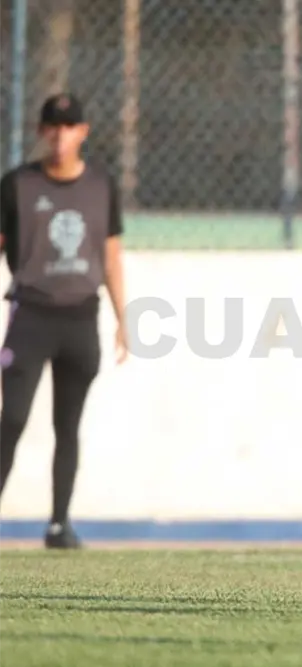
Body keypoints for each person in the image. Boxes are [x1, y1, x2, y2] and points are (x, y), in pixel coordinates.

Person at [0, 94, 129, 549]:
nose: (60, 135)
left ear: (83, 132)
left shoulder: (101, 186)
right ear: (41, 132)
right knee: (11, 418)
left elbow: (111, 254)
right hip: (31, 315)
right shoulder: (17, 184)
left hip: (80, 316)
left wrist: (121, 316)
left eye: (69, 126)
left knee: (67, 424)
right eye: (52, 126)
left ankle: (59, 523)